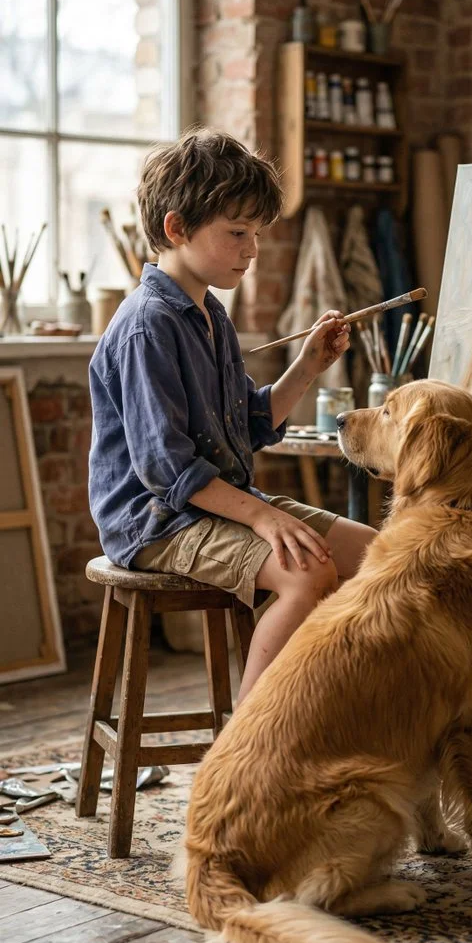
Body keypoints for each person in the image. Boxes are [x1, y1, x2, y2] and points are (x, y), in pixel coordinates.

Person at [88, 129, 376, 703]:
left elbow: (248, 423)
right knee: (306, 575)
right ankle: (250, 747)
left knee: (377, 555)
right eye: (237, 233)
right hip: (154, 521)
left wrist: (308, 366)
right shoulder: (148, 325)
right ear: (176, 228)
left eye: (257, 234)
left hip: (210, 505)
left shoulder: (210, 314)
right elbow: (167, 472)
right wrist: (265, 520)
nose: (252, 249)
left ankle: (324, 713)